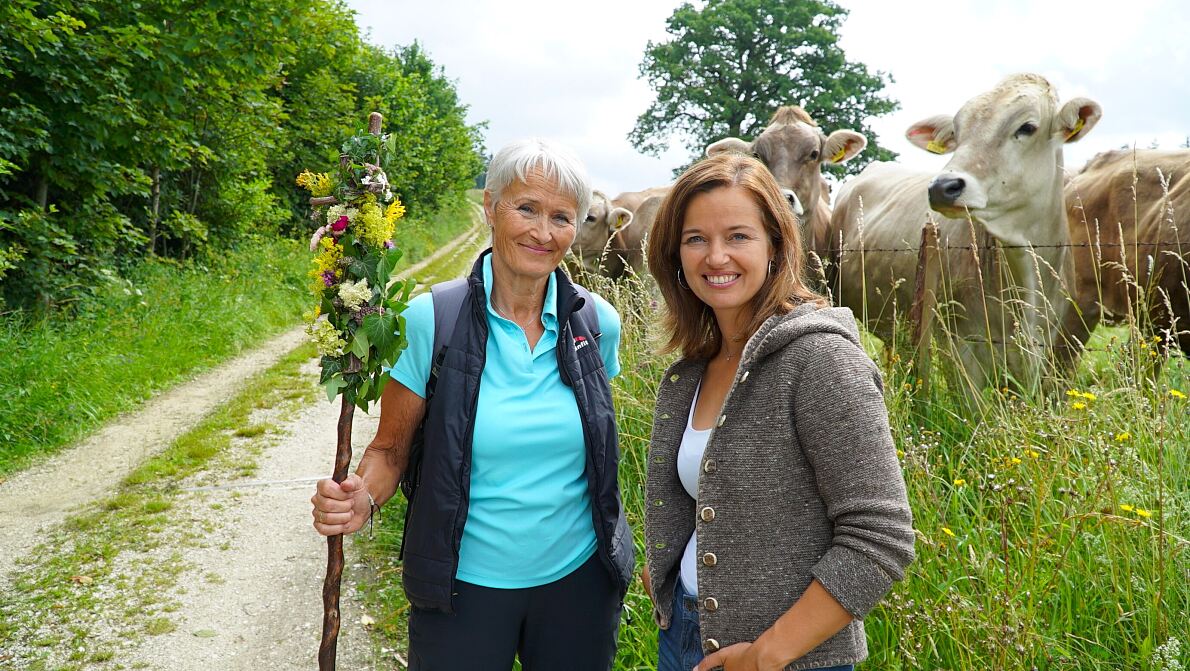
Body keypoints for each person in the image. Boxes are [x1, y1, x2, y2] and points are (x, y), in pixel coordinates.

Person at [311, 139, 633, 671]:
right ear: (489, 207)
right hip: (461, 586)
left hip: (580, 584)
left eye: (561, 217)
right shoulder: (429, 319)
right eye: (525, 208)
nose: (543, 232)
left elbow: (595, 448)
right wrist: (360, 498)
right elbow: (390, 450)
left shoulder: (597, 323)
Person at [642, 153, 915, 671]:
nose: (715, 256)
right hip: (683, 634)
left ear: (776, 244)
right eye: (695, 238)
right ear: (674, 254)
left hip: (792, 657)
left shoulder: (820, 359)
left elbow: (881, 537)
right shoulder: (694, 370)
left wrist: (770, 652)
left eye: (738, 236)